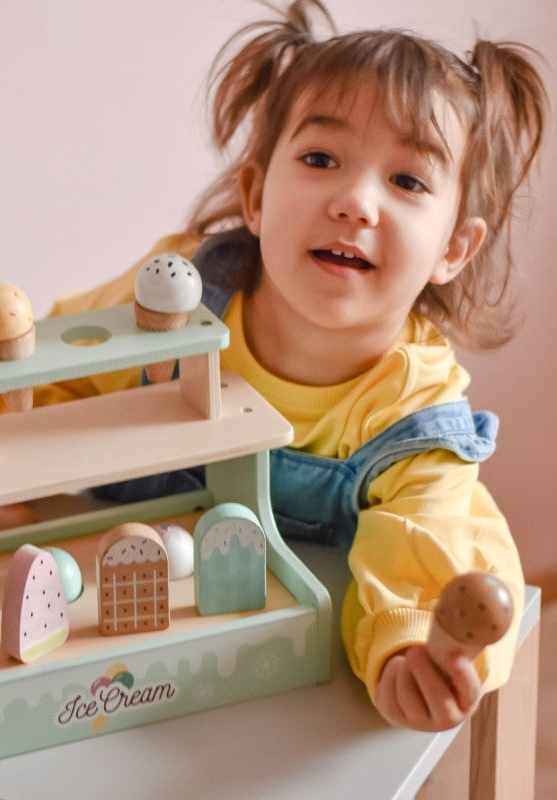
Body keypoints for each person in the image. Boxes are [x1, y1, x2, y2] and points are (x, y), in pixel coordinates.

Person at [34, 0, 547, 732]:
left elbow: (427, 551)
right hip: (109, 635)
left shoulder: (415, 415)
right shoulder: (177, 302)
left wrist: (409, 648)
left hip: (278, 684)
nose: (355, 202)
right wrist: (1, 459)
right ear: (255, 194)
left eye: (407, 181)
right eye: (320, 159)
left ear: (453, 250)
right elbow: (59, 364)